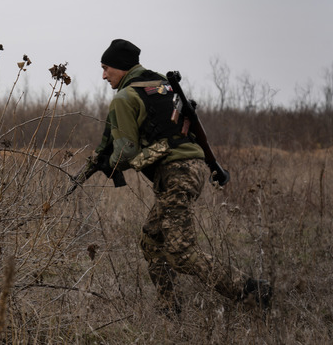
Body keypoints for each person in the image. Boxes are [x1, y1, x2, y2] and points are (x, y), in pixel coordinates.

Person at [86, 39, 272, 315]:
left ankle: (252, 292)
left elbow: (126, 151)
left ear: (122, 67)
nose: (103, 75)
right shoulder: (160, 83)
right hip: (192, 167)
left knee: (182, 254)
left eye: (106, 68)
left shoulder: (125, 98)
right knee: (152, 238)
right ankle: (168, 307)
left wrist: (109, 164)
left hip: (176, 173)